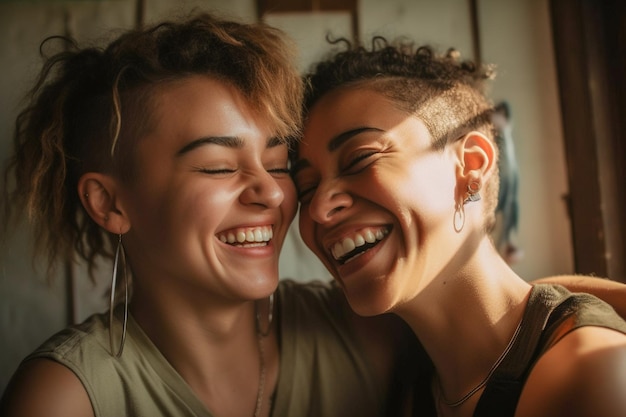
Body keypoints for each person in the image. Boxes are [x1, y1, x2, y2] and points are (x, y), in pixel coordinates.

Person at [0, 14, 414, 417]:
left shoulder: (373, 328)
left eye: (277, 164)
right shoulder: (62, 398)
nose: (272, 191)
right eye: (218, 166)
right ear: (109, 204)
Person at [293, 37, 626, 417]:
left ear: (470, 166)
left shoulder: (585, 373)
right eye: (306, 189)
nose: (319, 208)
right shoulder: (403, 379)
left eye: (359, 159)